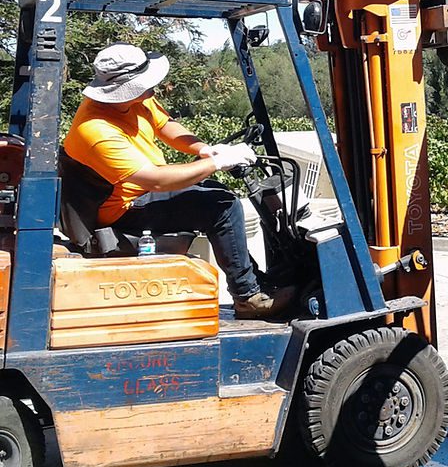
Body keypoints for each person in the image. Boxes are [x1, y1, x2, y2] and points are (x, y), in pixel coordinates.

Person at [63, 42, 294, 320]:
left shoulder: (135, 100)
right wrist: (218, 163)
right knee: (220, 205)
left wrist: (204, 149)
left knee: (214, 192)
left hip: (138, 194)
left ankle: (255, 282)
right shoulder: (96, 129)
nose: (154, 88)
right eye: (146, 83)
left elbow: (165, 125)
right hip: (121, 211)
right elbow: (156, 181)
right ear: (127, 88)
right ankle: (247, 296)